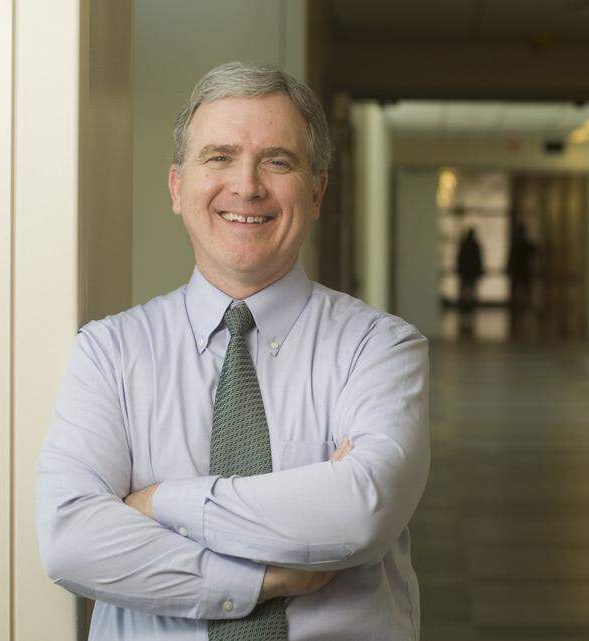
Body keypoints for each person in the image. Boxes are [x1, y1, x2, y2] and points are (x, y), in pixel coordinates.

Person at [36, 62, 429, 641]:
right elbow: (71, 542)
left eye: (278, 160)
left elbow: (361, 514)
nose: (247, 186)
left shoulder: (380, 347)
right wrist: (262, 578)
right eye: (218, 157)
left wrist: (157, 503)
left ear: (316, 192)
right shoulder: (109, 351)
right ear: (177, 187)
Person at [506, 222, 536, 337]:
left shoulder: (516, 244)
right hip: (523, 272)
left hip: (518, 272)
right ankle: (521, 310)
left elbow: (510, 258)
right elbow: (533, 252)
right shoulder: (523, 243)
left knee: (519, 292)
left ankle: (519, 310)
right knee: (523, 292)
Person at [454, 227, 484, 336]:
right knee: (470, 292)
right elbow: (478, 260)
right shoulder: (475, 245)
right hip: (471, 274)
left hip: (465, 273)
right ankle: (468, 309)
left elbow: (459, 259)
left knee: (465, 292)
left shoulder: (465, 245)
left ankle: (465, 310)